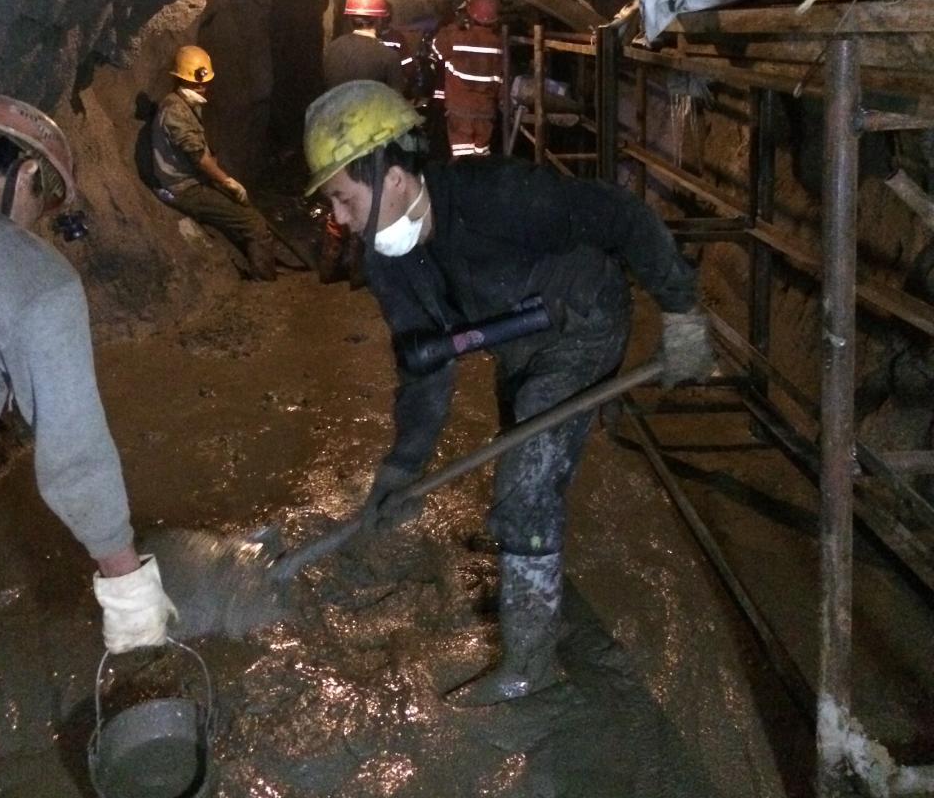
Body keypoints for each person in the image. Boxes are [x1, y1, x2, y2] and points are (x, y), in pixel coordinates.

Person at [302, 81, 714, 706]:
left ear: (393, 178)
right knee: (525, 473)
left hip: (582, 324)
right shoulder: (391, 261)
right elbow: (425, 361)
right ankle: (532, 565)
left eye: (343, 198)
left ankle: (529, 667)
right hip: (517, 341)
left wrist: (681, 311)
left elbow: (621, 215)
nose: (339, 218)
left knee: (524, 487)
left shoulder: (499, 196)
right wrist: (403, 464)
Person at [0, 95, 176, 798]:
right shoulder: (30, 273)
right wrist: (127, 585)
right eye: (43, 200)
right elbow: (74, 451)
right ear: (25, 173)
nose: (37, 220)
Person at [151, 45, 279, 281]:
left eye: (204, 83)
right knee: (254, 224)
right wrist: (227, 181)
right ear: (181, 79)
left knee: (243, 211)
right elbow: (199, 159)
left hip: (190, 181)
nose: (203, 87)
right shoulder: (176, 111)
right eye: (196, 83)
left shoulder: (183, 104)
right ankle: (265, 282)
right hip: (184, 188)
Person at [432, 0, 503, 158]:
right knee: (481, 158)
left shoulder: (457, 38)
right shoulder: (499, 44)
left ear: (470, 15)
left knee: (462, 159)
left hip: (460, 111)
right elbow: (502, 79)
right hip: (485, 112)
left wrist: (455, 24)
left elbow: (436, 48)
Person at [323, 0, 404, 92]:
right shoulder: (389, 57)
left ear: (350, 18)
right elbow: (395, 98)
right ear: (379, 19)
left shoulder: (332, 49)